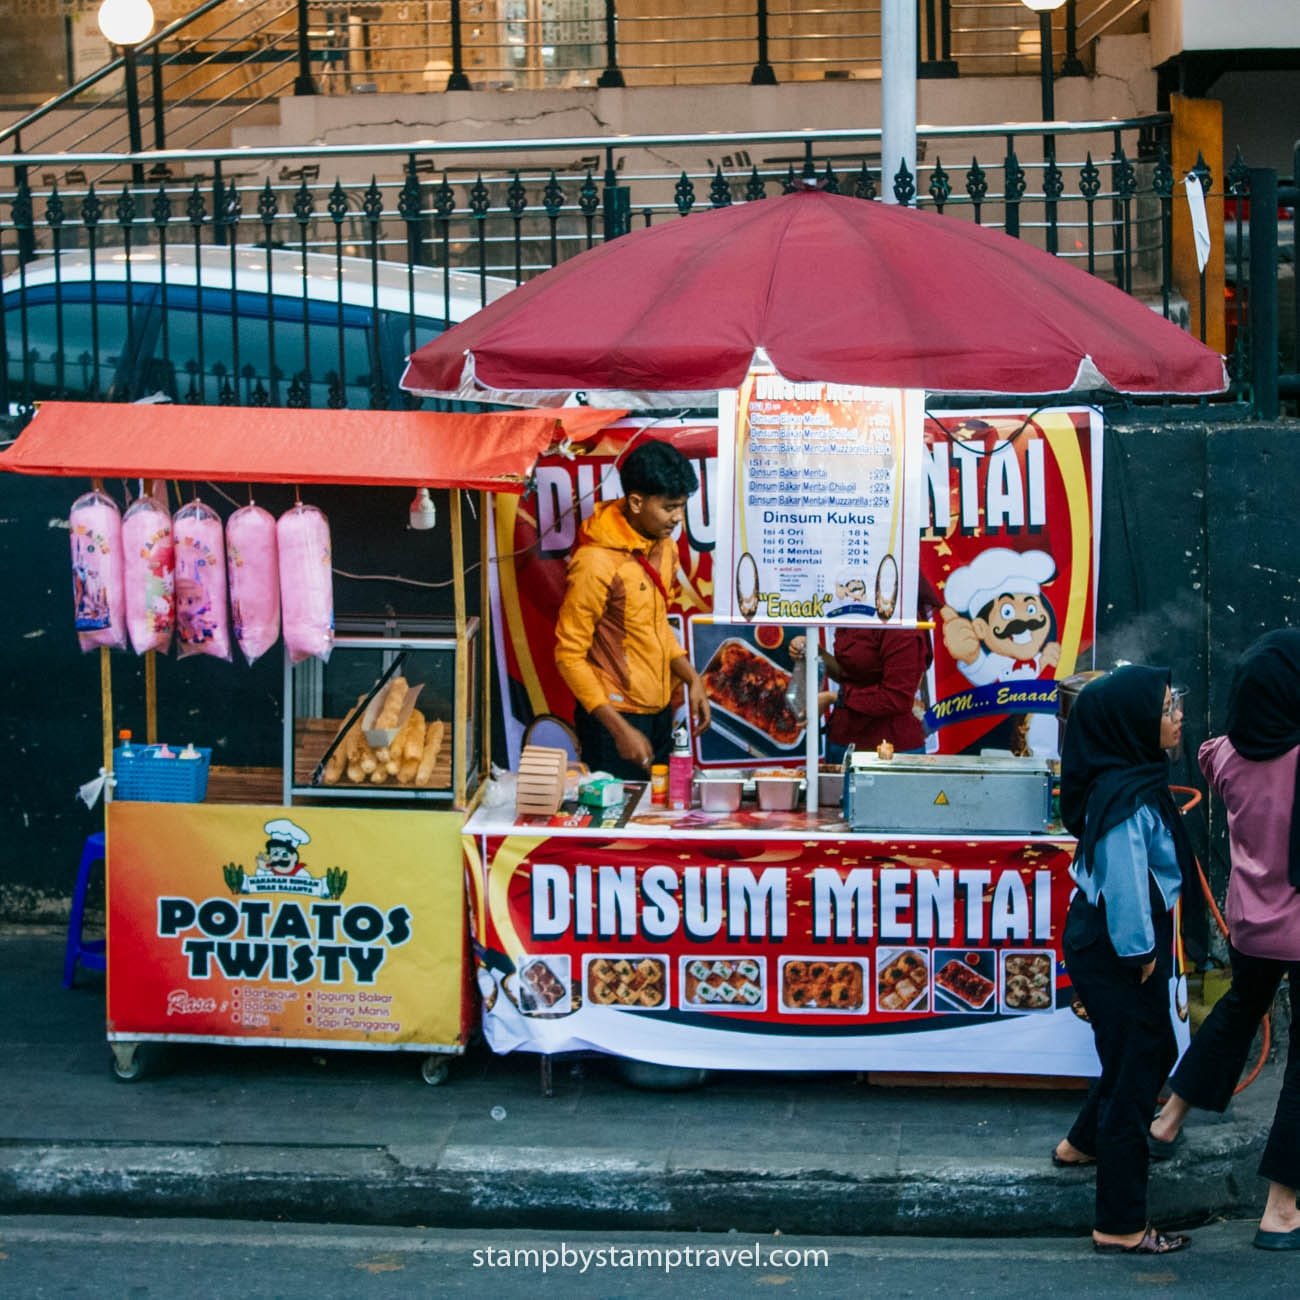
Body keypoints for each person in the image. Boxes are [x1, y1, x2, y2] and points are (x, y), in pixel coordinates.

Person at [1146, 629, 1300, 1250]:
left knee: (1239, 1010)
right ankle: (1283, 1208)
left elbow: (1212, 754)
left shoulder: (1223, 756)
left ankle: (1166, 1121)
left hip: (1250, 923)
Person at [1051, 664, 1198, 1255]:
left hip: (1113, 938)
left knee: (1145, 1048)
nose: (1177, 714)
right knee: (1138, 1067)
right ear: (1131, 723)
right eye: (1166, 707)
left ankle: (1081, 1143)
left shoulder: (1133, 776)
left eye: (1175, 702)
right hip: (1119, 943)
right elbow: (1128, 888)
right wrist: (1140, 953)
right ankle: (1120, 1224)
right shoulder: (1124, 801)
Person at [554, 439, 710, 782]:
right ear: (636, 502)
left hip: (658, 714)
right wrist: (619, 728)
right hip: (613, 722)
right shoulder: (594, 563)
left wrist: (691, 678)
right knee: (616, 828)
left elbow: (655, 627)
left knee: (660, 819)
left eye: (682, 507)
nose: (678, 518)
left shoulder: (664, 546)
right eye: (670, 507)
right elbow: (569, 656)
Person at [790, 578, 939, 756]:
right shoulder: (857, 611)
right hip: (843, 740)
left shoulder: (900, 621)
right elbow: (851, 672)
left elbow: (895, 698)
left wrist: (835, 698)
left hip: (890, 749)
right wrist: (815, 652)